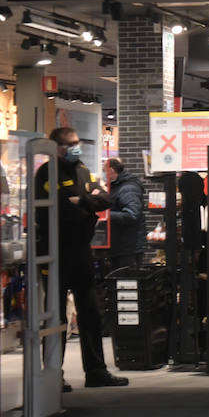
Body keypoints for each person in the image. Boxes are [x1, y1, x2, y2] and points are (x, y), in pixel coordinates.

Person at [34, 128, 128, 389]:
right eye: (70, 145)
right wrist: (88, 202)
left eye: (77, 143)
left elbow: (106, 199)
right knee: (56, 317)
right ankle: (53, 374)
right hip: (54, 252)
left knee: (90, 312)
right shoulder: (46, 173)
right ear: (57, 147)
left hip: (81, 250)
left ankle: (96, 371)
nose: (76, 148)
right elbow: (64, 210)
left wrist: (83, 200)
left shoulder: (83, 169)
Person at [103, 158, 146, 272]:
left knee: (127, 283)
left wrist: (106, 215)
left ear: (111, 170)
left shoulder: (128, 188)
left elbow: (132, 214)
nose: (103, 174)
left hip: (128, 248)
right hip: (121, 246)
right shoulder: (118, 186)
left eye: (104, 171)